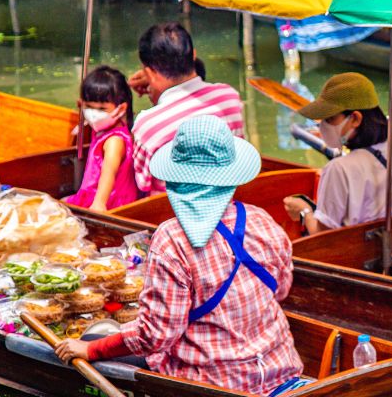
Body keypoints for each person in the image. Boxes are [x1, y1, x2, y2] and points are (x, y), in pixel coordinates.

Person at [55, 116, 309, 395]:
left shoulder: (172, 240)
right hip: (279, 365)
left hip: (215, 383)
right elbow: (280, 289)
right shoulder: (262, 221)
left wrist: (92, 347)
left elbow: (155, 336)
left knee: (93, 334)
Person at [282, 73, 392, 234]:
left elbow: (322, 235)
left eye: (330, 119)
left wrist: (305, 211)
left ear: (355, 118)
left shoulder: (338, 169)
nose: (323, 127)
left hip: (358, 256)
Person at [128, 22, 245, 194]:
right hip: (226, 200)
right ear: (194, 56)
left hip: (170, 215)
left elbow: (142, 184)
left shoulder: (147, 125)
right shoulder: (229, 98)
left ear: (149, 72)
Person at [62, 66, 140, 211]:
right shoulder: (102, 130)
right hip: (89, 195)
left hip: (108, 202)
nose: (94, 114)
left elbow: (108, 172)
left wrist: (99, 203)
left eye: (102, 109)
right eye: (89, 107)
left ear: (121, 108)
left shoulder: (114, 141)